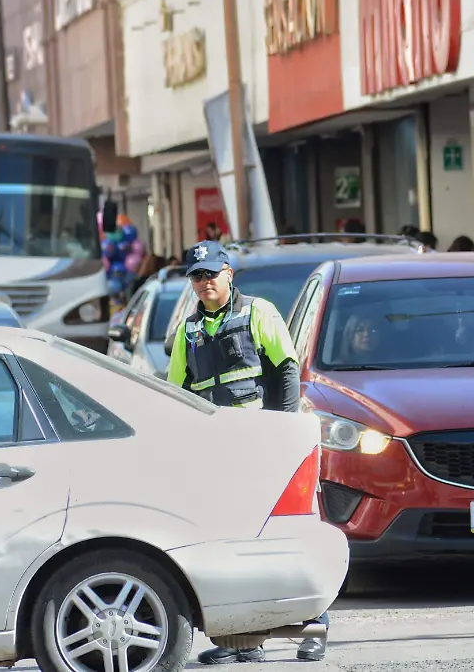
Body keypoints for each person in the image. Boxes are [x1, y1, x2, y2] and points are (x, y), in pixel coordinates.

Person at [165, 241, 328, 664]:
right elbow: (176, 393)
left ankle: (316, 626)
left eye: (211, 274)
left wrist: (286, 431)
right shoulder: (188, 330)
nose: (204, 283)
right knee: (233, 548)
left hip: (263, 445)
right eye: (197, 277)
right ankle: (241, 640)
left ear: (229, 274)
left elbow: (286, 369)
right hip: (219, 454)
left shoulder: (258, 312)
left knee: (288, 537)